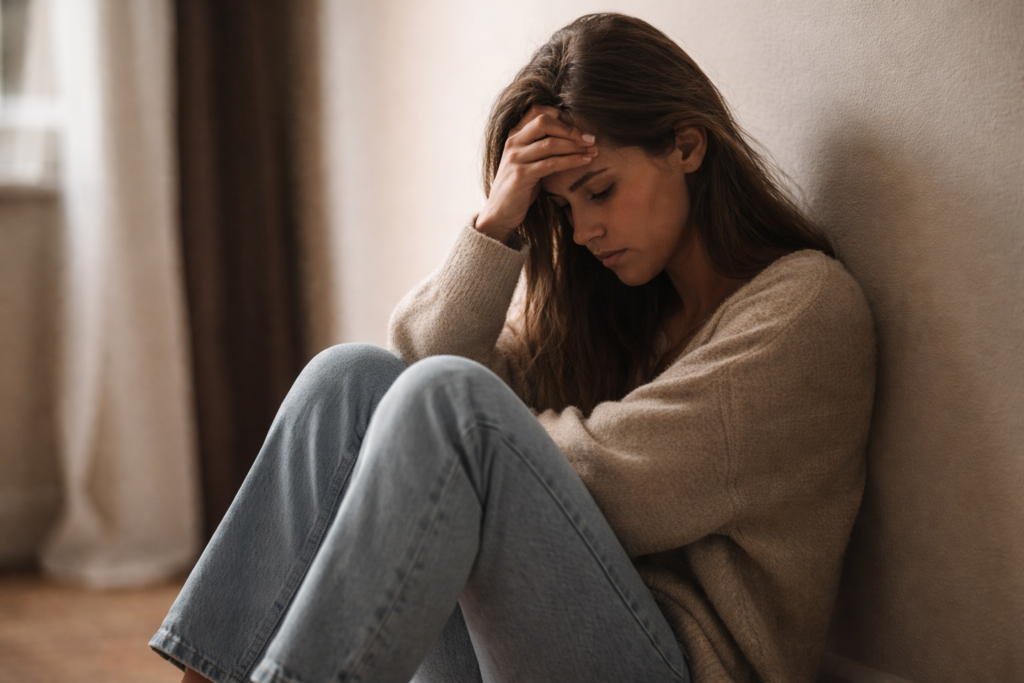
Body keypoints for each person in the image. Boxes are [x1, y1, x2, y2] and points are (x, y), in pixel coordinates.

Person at [152, 12, 875, 683]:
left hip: (678, 666)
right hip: (532, 641)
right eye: (563, 207)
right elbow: (416, 364)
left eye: (599, 190)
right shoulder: (624, 313)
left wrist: (477, 430)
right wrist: (496, 224)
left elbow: (624, 490)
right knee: (350, 378)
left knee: (454, 407)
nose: (583, 232)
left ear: (686, 146)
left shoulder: (806, 308)